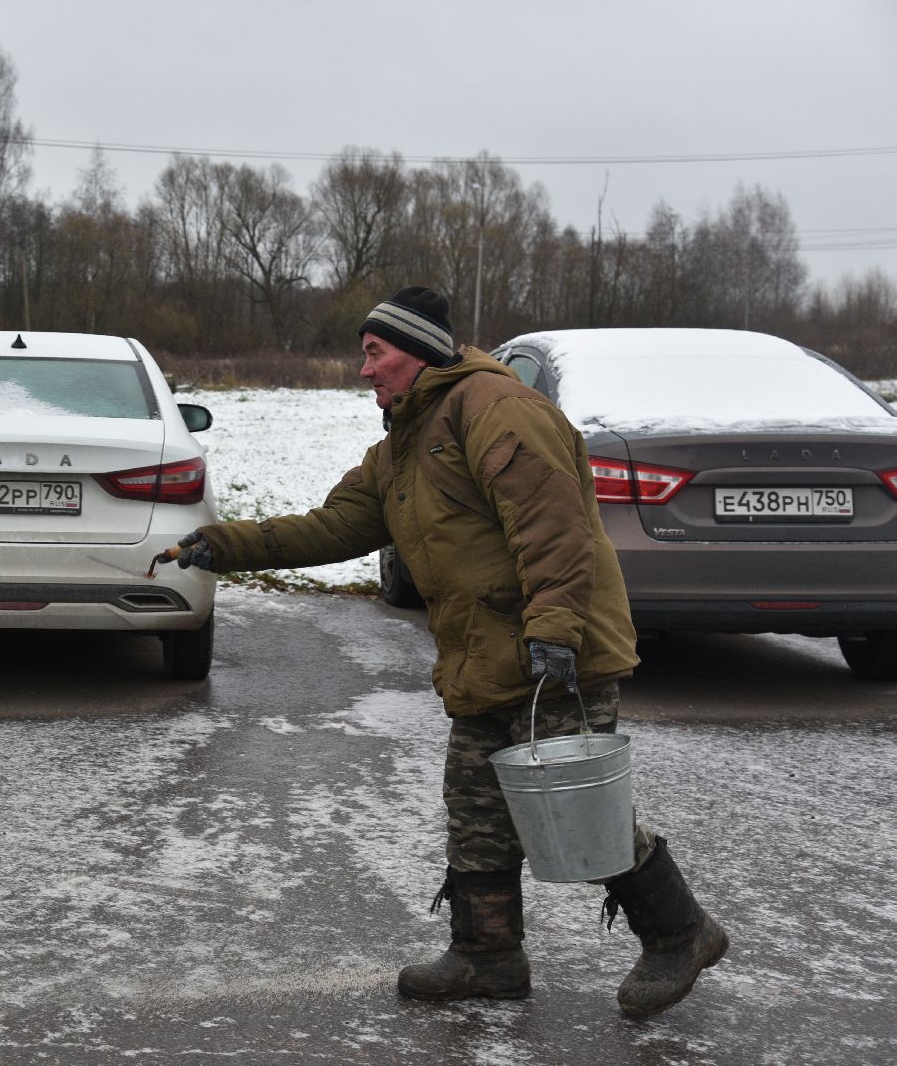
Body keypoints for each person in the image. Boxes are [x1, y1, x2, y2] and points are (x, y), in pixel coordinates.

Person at [169, 286, 727, 1017]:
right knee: (476, 811)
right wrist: (224, 545)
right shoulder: (403, 444)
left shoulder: (496, 410)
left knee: (579, 814)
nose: (365, 370)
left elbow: (552, 525)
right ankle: (487, 956)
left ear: (419, 352)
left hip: (552, 653)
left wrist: (553, 630)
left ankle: (682, 933)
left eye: (376, 353)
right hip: (484, 659)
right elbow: (333, 526)